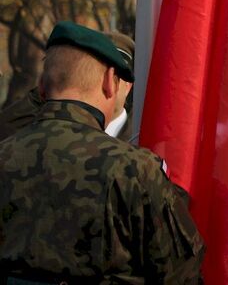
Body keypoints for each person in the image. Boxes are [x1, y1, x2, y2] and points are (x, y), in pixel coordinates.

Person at [0, 21, 204, 283]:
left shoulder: (5, 156)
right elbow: (182, 274)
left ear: (41, 87)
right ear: (111, 81)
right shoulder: (134, 169)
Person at [0, 30, 135, 143]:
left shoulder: (143, 137)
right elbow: (6, 127)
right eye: (89, 70)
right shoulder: (40, 123)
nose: (98, 80)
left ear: (128, 84)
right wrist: (51, 84)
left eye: (114, 74)